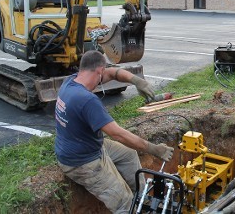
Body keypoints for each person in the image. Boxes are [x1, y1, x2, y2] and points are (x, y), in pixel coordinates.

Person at [54, 50, 174, 213]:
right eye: (103, 73)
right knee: (125, 204)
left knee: (129, 154)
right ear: (99, 71)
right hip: (82, 162)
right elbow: (118, 134)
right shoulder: (87, 100)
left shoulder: (70, 82)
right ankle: (131, 206)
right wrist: (154, 149)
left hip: (84, 144)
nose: (104, 78)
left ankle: (142, 199)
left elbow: (113, 73)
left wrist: (136, 81)